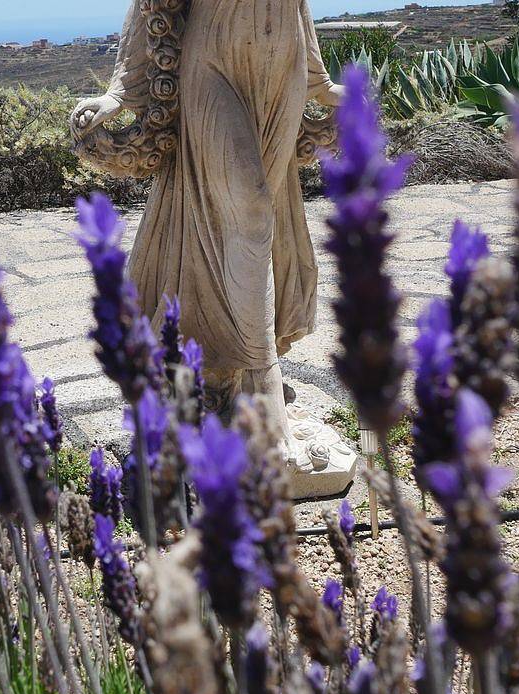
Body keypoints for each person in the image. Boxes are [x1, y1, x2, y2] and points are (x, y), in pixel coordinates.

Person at [72, 0, 357, 490]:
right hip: (214, 58)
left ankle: (228, 372)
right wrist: (121, 93)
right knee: (251, 210)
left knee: (259, 219)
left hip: (282, 63)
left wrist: (319, 79)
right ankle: (263, 390)